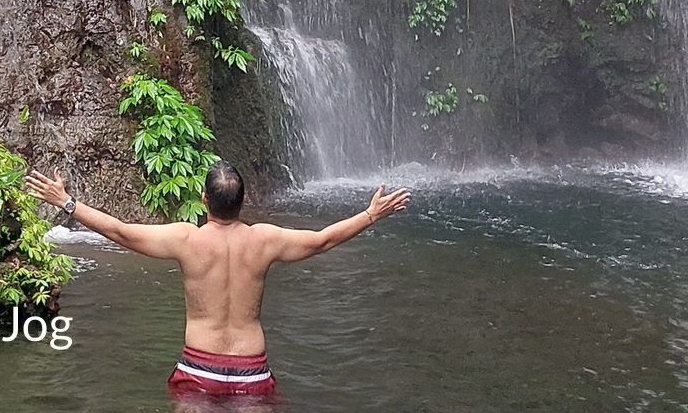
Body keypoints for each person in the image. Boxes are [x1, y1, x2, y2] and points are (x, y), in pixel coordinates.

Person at [22, 161, 406, 399]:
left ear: (204, 200)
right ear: (243, 201)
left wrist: (67, 202)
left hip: (198, 367)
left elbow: (121, 232)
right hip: (251, 369)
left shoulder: (186, 239)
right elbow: (323, 240)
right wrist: (370, 215)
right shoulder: (265, 240)